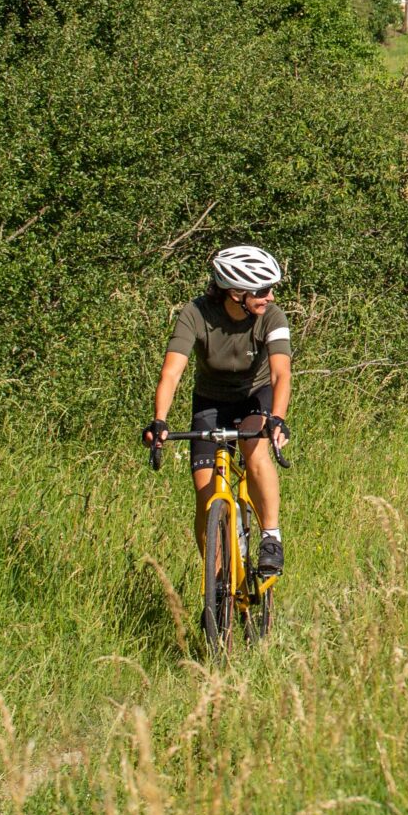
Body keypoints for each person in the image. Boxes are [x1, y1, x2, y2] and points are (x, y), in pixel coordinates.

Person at [145, 245, 293, 582]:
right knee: (205, 496)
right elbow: (172, 373)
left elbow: (281, 374)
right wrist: (160, 420)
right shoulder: (196, 314)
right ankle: (218, 583)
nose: (270, 297)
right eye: (262, 290)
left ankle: (271, 537)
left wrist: (278, 419)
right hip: (210, 402)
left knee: (255, 451)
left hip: (255, 396)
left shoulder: (272, 316)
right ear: (236, 292)